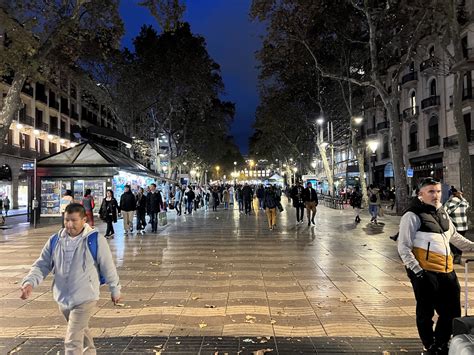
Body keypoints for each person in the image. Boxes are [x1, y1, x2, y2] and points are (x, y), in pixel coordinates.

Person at [20, 203, 121, 354]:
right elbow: (42, 265)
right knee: (81, 331)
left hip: (85, 297)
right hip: (63, 298)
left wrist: (115, 289)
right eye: (66, 220)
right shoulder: (55, 240)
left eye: (74, 220)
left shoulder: (96, 240)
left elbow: (108, 267)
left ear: (84, 220)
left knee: (72, 340)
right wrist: (29, 283)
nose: (69, 224)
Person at [398, 178, 474, 355]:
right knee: (426, 313)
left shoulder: (442, 212)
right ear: (420, 194)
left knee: (452, 312)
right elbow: (403, 247)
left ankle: (440, 343)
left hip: (447, 271)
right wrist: (417, 271)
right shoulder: (412, 215)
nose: (436, 195)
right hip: (426, 272)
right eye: (431, 191)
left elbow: (455, 238)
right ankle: (428, 344)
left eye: (438, 191)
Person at [444, 188, 470, 265]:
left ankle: (456, 255)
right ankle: (458, 255)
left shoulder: (449, 202)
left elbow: (445, 212)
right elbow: (467, 205)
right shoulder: (464, 202)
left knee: (450, 241)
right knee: (461, 241)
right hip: (463, 226)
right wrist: (461, 198)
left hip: (454, 226)